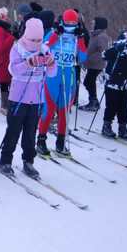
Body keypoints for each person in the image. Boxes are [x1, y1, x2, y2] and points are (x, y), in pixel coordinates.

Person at [0, 18, 57, 177]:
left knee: (31, 133)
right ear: (26, 35)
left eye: (39, 40)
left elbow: (52, 73)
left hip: (37, 99)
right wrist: (28, 63)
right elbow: (13, 71)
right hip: (18, 98)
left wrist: (51, 63)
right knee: (13, 131)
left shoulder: (45, 49)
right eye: (33, 39)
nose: (36, 43)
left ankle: (28, 161)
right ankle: (5, 161)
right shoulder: (17, 48)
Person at [36, 9, 88, 157]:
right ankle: (41, 140)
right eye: (68, 22)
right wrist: (56, 34)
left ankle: (60, 142)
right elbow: (43, 48)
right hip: (53, 74)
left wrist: (82, 39)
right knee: (49, 108)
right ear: (63, 21)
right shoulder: (54, 31)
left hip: (69, 74)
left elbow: (83, 58)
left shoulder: (77, 36)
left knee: (64, 111)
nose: (71, 25)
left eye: (74, 22)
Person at [79, 17, 110, 112]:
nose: (92, 24)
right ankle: (93, 101)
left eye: (94, 23)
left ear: (99, 24)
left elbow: (102, 52)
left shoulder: (102, 36)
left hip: (97, 64)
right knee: (89, 81)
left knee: (88, 81)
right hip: (92, 64)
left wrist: (88, 59)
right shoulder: (95, 35)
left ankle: (94, 102)